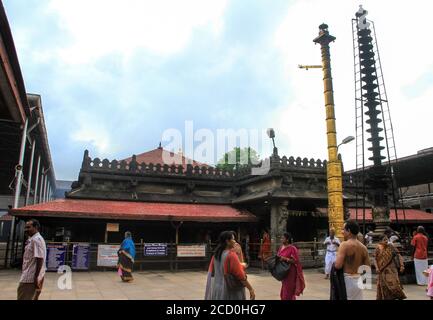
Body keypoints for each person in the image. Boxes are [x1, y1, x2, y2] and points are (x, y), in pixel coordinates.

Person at [205, 231, 255, 300]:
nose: (235, 241)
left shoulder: (216, 254)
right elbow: (241, 276)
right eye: (233, 239)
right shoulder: (231, 255)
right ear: (227, 241)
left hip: (217, 289)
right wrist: (251, 289)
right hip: (229, 291)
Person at [335, 220, 371, 300]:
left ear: (349, 231)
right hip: (358, 280)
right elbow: (367, 267)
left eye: (343, 229)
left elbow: (338, 265)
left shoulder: (344, 245)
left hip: (347, 280)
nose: (342, 232)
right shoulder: (363, 247)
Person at [17, 219, 46, 300]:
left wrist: (36, 277)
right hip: (30, 275)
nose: (26, 230)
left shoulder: (36, 239)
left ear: (36, 227)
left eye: (28, 227)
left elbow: (40, 259)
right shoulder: (33, 239)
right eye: (25, 227)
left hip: (30, 278)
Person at [374, 234, 406, 300]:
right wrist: (377, 268)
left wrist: (402, 266)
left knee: (394, 285)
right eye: (384, 240)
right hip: (382, 270)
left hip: (392, 270)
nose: (386, 241)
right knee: (384, 287)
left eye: (387, 239)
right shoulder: (378, 248)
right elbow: (375, 259)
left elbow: (399, 255)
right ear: (380, 241)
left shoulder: (391, 246)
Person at [277, 232, 305, 300]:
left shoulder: (292, 248)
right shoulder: (281, 247)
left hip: (290, 271)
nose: (281, 239)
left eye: (283, 238)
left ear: (287, 239)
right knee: (284, 287)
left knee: (289, 288)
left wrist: (285, 259)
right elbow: (278, 256)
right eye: (281, 238)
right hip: (283, 271)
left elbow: (295, 261)